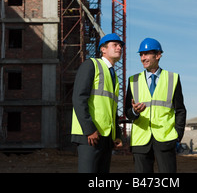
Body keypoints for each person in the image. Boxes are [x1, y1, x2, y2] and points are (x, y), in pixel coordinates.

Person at [125, 38, 186, 173]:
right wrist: (134, 112)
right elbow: (127, 112)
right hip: (140, 140)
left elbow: (180, 110)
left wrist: (178, 134)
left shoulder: (172, 78)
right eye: (141, 54)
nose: (143, 58)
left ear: (158, 55)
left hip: (165, 139)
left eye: (146, 54)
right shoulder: (133, 81)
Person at [71, 33, 124, 173]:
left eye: (120, 46)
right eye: (115, 45)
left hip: (105, 138)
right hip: (90, 135)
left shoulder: (113, 76)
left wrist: (116, 134)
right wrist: (89, 129)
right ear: (103, 49)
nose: (119, 48)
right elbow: (79, 98)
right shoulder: (91, 65)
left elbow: (112, 109)